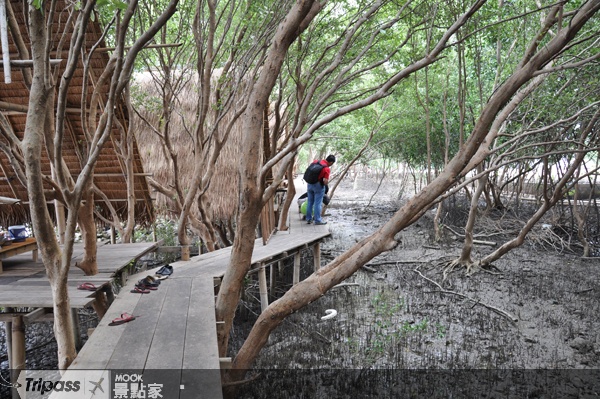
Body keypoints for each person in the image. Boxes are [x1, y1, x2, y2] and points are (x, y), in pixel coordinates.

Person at [306, 154, 335, 225]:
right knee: (317, 203)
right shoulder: (326, 168)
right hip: (318, 186)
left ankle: (308, 219)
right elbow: (325, 181)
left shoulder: (316, 162)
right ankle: (317, 220)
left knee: (310, 202)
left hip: (309, 184)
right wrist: (326, 185)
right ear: (331, 162)